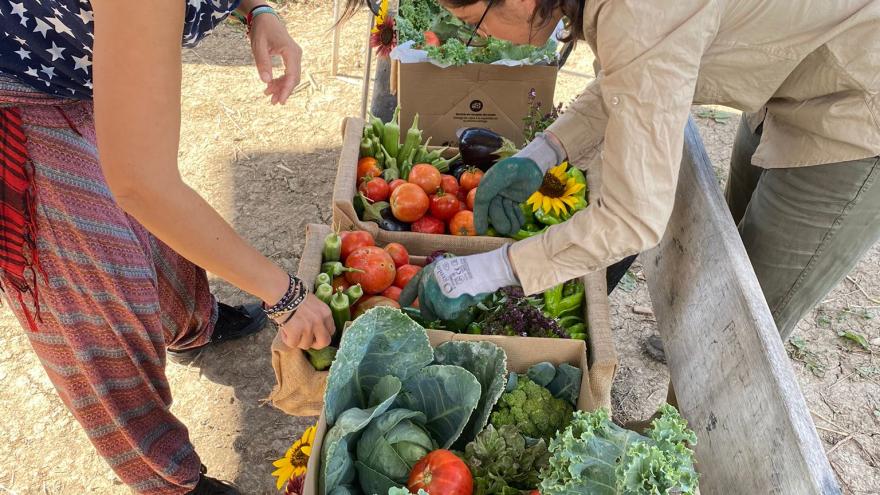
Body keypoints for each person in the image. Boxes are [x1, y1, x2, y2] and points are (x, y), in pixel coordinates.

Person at [385, 0, 880, 346]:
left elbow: (633, 218)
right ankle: (692, 361)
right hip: (790, 73)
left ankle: (685, 455)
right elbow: (631, 76)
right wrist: (544, 151)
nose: (482, 38)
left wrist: (491, 269)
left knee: (744, 329)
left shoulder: (640, 10)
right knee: (722, 269)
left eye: (474, 22)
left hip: (856, 103)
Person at [0, 1, 333, 494]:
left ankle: (190, 325)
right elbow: (143, 186)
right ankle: (169, 479)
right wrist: (283, 294)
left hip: (81, 65)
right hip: (21, 84)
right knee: (93, 294)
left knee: (159, 230)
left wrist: (258, 8)